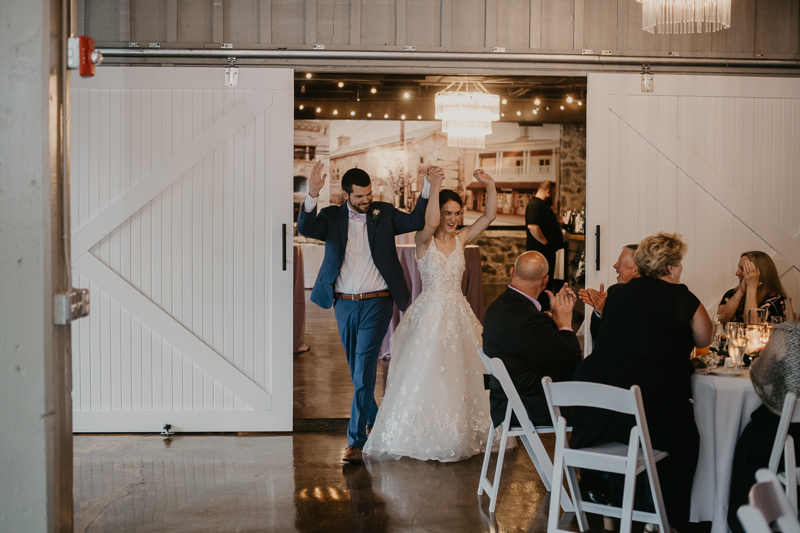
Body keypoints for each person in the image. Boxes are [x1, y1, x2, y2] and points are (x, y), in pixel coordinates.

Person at [570, 232, 713, 530]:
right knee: (689, 440)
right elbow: (704, 339)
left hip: (596, 415)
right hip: (646, 416)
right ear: (672, 268)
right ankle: (672, 520)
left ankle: (623, 503)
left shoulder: (617, 294)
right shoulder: (683, 298)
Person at [297, 161, 431, 464]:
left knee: (365, 368)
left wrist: (426, 187)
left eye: (369, 194)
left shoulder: (384, 214)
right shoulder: (331, 217)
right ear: (347, 195)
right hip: (343, 303)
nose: (366, 200)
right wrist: (313, 194)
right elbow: (305, 228)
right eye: (360, 196)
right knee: (356, 370)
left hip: (378, 302)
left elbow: (417, 220)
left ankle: (356, 440)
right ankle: (379, 419)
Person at [363, 169, 497, 462]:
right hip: (430, 315)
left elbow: (488, 217)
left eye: (457, 213)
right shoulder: (423, 240)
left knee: (461, 375)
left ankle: (459, 429)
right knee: (428, 373)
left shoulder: (461, 239)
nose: (452, 219)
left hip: (459, 314)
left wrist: (490, 185)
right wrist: (433, 187)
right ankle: (426, 431)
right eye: (448, 213)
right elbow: (432, 222)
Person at [482, 251, 582, 429]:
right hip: (527, 407)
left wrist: (549, 325)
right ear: (545, 280)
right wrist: (564, 322)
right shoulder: (530, 320)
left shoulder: (496, 306)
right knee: (601, 405)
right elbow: (572, 360)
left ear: (512, 272)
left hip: (504, 402)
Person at [727, 316, 800, 533]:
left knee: (750, 437)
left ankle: (752, 516)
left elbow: (760, 375)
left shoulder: (789, 333)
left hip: (781, 437)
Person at [578, 244, 639, 342]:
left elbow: (628, 339)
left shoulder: (646, 299)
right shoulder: (612, 291)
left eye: (620, 262)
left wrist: (605, 312)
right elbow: (596, 337)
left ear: (635, 270)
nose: (615, 265)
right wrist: (599, 312)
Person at [718, 251, 788, 324]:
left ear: (758, 273)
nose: (737, 273)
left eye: (742, 269)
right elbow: (720, 320)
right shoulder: (731, 294)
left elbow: (752, 326)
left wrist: (751, 288)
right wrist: (741, 292)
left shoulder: (776, 299)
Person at [525, 181, 564, 298]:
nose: (554, 197)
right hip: (541, 252)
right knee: (541, 285)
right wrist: (547, 244)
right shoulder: (536, 205)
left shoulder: (541, 205)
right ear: (548, 192)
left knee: (546, 284)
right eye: (553, 194)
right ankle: (541, 312)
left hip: (545, 252)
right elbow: (533, 227)